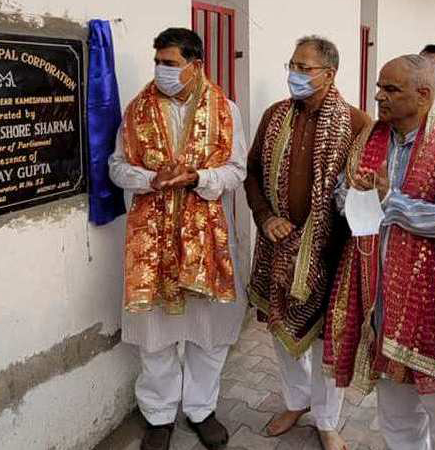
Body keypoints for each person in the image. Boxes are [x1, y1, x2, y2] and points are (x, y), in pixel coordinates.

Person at [324, 54, 435, 450]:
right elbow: (342, 196)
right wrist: (356, 194)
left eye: (390, 89)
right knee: (394, 405)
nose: (378, 96)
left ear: (424, 94)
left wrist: (388, 199)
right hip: (381, 296)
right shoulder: (371, 138)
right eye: (379, 87)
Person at [109, 28, 247, 450]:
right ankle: (158, 414)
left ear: (195, 65)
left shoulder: (226, 110)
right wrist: (153, 179)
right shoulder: (136, 111)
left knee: (210, 332)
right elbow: (117, 168)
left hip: (208, 240)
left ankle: (201, 409)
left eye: (170, 64)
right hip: (152, 240)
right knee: (156, 334)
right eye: (158, 63)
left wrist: (199, 177)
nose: (161, 71)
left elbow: (236, 170)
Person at [244, 35, 369, 450]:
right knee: (281, 329)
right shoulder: (274, 115)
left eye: (304, 68)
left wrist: (324, 241)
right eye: (292, 65)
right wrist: (265, 218)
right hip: (276, 245)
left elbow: (362, 196)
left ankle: (327, 419)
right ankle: (296, 401)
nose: (294, 74)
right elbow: (252, 173)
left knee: (326, 338)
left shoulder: (356, 123)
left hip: (329, 251)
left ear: (329, 74)